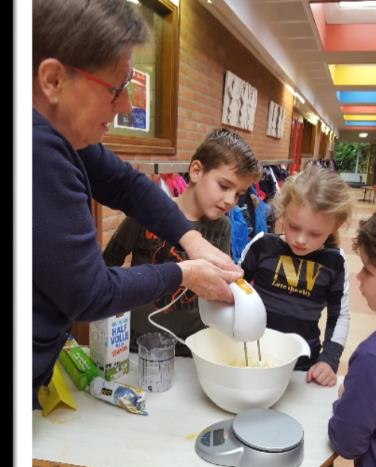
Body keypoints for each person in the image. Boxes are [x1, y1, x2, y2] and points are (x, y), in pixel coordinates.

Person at [32, 0, 243, 409]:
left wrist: (192, 242)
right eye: (116, 88)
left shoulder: (63, 133)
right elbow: (90, 292)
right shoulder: (37, 151)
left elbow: (127, 187)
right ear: (53, 79)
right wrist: (185, 272)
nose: (127, 105)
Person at [103, 128, 261, 355]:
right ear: (196, 171)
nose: (230, 201)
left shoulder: (223, 227)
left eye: (238, 194)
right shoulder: (146, 214)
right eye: (224, 186)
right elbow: (107, 265)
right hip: (138, 342)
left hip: (192, 345)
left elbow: (217, 287)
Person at [240, 165, 352, 386]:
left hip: (302, 365)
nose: (301, 240)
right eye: (293, 226)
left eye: (315, 233)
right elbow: (234, 288)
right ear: (283, 212)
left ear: (335, 225)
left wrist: (328, 360)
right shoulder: (262, 245)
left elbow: (339, 316)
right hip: (251, 355)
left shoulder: (335, 261)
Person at [328, 212, 376, 467]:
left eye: (370, 270)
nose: (359, 278)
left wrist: (346, 397)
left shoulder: (374, 358)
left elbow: (346, 440)